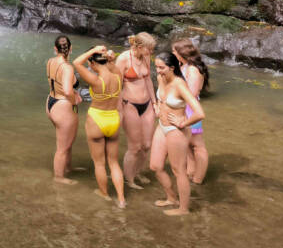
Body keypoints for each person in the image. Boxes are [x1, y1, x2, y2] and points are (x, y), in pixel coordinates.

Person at [150, 52, 205, 216]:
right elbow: (161, 97)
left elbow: (199, 113)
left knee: (178, 170)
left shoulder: (180, 84)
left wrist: (183, 123)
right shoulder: (161, 78)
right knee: (155, 166)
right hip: (162, 126)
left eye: (161, 67)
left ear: (172, 68)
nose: (158, 71)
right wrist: (157, 106)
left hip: (177, 131)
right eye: (156, 67)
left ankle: (183, 209)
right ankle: (171, 198)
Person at [73, 45, 126, 207]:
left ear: (92, 63)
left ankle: (104, 194)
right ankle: (122, 199)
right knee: (114, 162)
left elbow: (76, 63)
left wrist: (93, 50)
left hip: (97, 119)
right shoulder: (117, 75)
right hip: (113, 120)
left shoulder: (95, 80)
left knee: (99, 163)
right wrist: (109, 58)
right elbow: (112, 67)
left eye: (90, 63)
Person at [115, 32, 157, 190]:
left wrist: (155, 103)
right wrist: (119, 109)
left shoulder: (145, 57)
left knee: (146, 145)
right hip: (129, 104)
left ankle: (138, 171)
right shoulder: (123, 59)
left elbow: (148, 81)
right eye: (149, 49)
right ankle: (129, 179)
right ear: (139, 47)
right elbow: (117, 86)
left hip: (147, 104)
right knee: (135, 147)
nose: (151, 53)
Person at [173, 38, 210, 184]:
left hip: (190, 111)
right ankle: (191, 172)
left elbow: (192, 94)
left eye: (174, 51)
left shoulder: (193, 70)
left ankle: (198, 178)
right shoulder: (184, 66)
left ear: (181, 53)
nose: (172, 53)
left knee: (198, 146)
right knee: (188, 144)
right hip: (182, 109)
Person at [46, 35, 81, 184]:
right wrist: (75, 100)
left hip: (51, 102)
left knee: (66, 142)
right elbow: (67, 91)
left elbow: (57, 83)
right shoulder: (67, 68)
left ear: (55, 49)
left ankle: (68, 168)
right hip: (63, 106)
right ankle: (59, 178)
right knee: (62, 148)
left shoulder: (50, 61)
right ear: (71, 48)